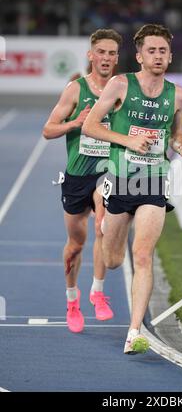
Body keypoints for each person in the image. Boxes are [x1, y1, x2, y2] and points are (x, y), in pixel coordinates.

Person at [82, 24, 182, 353]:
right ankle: (103, 225)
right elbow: (91, 126)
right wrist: (128, 140)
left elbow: (175, 134)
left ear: (170, 56)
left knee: (143, 256)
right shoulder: (120, 84)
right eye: (152, 50)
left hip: (152, 182)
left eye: (163, 51)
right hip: (120, 180)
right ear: (140, 55)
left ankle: (134, 332)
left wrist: (181, 146)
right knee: (115, 260)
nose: (158, 56)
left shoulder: (178, 95)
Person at [43, 29, 122, 333]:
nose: (106, 58)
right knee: (76, 245)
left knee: (102, 223)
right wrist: (77, 123)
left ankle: (98, 292)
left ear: (117, 57)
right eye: (101, 52)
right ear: (91, 55)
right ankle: (72, 300)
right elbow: (48, 130)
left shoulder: (123, 88)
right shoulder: (75, 90)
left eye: (112, 53)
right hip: (78, 174)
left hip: (109, 171)